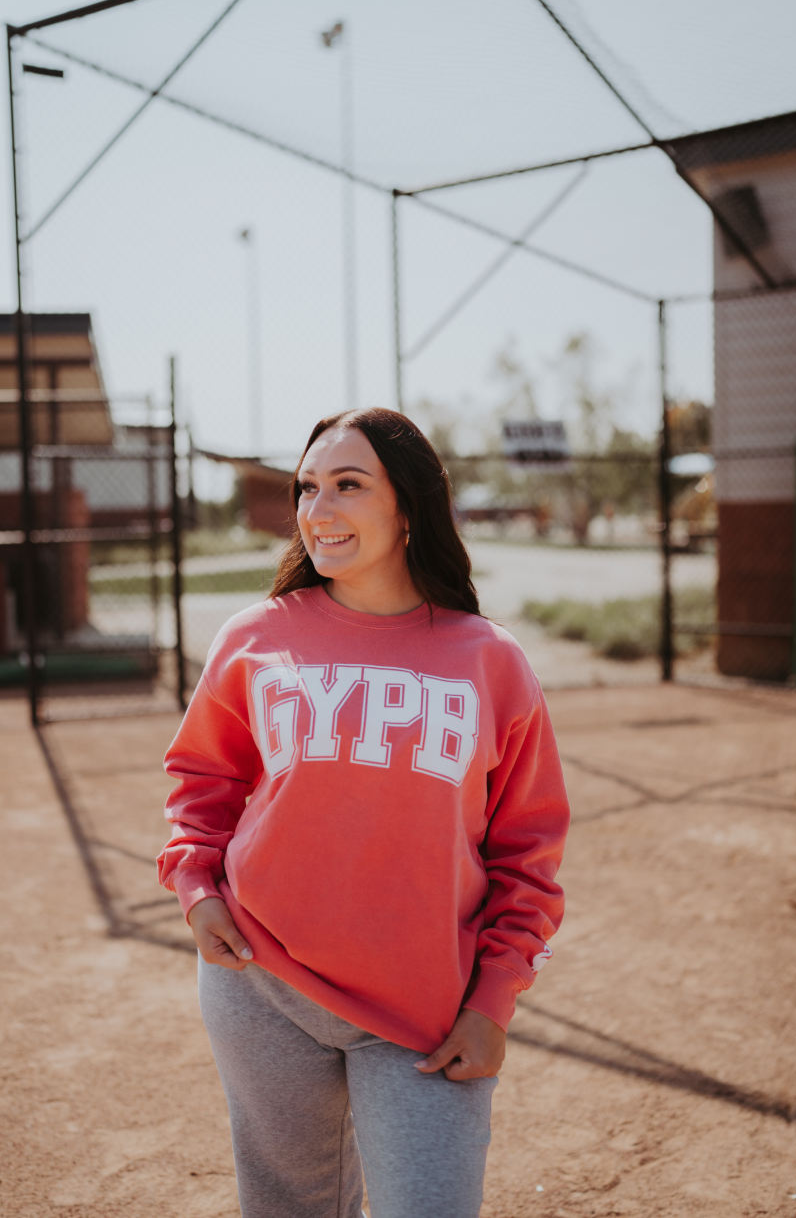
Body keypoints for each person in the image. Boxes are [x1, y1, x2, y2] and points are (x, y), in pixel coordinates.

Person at [158, 407, 569, 1218]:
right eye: (308, 487)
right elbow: (200, 781)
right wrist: (197, 890)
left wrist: (492, 1003)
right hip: (259, 981)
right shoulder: (254, 638)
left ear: (408, 507)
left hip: (424, 1010)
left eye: (348, 485)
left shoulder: (489, 659)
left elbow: (527, 852)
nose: (318, 509)